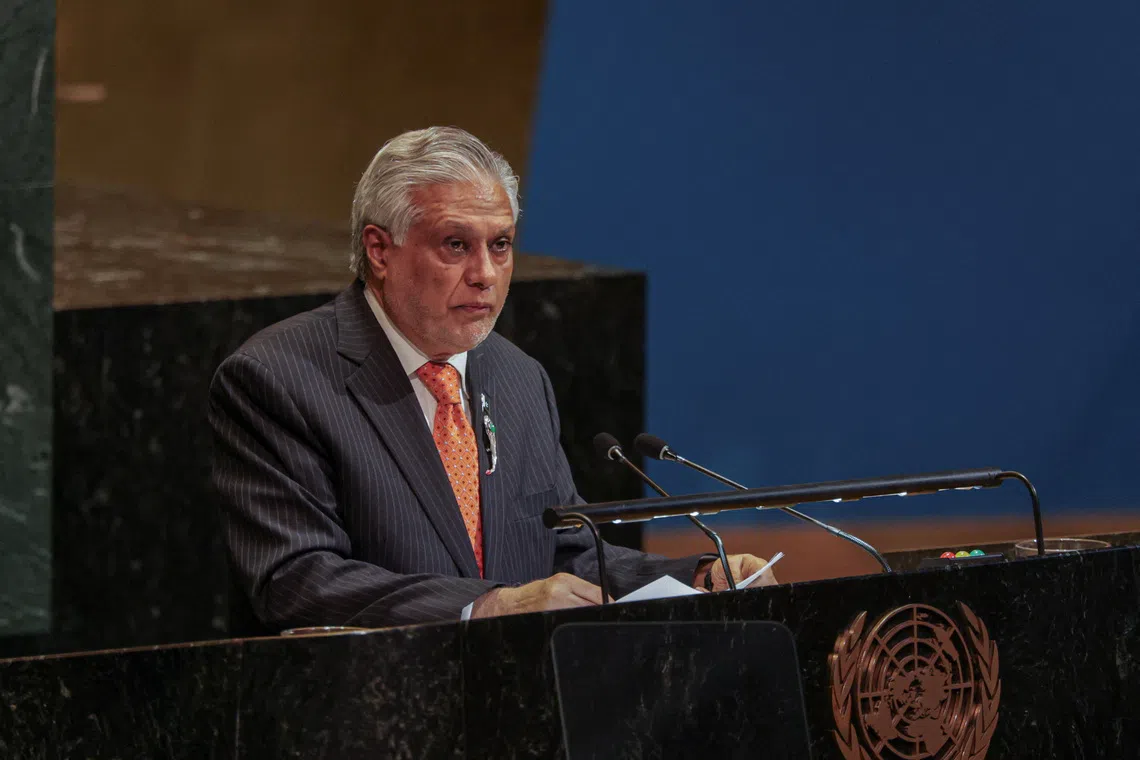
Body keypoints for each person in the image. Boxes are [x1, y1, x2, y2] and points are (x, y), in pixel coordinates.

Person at [209, 126, 773, 631]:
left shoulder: (518, 377)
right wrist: (488, 605)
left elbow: (565, 553)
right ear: (379, 250)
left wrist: (696, 577)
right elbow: (296, 580)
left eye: (500, 245)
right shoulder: (278, 378)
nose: (485, 274)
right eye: (456, 245)